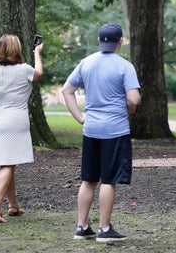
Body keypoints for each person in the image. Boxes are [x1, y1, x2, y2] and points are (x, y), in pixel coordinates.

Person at [61, 23, 141, 241]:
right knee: (108, 179)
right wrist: (130, 106)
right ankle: (104, 229)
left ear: (99, 41)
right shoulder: (124, 66)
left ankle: (82, 226)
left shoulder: (86, 63)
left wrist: (79, 117)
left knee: (88, 180)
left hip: (91, 129)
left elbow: (67, 91)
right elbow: (134, 99)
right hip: (115, 130)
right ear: (120, 42)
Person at [0, 34, 43, 223]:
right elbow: (38, 74)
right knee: (8, 163)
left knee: (7, 162)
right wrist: (37, 53)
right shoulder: (24, 70)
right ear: (17, 50)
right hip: (14, 120)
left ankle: (13, 206)